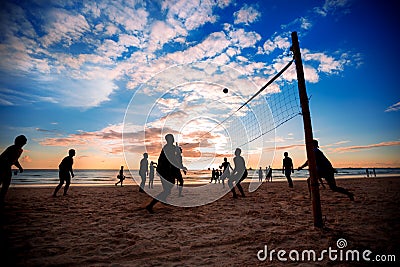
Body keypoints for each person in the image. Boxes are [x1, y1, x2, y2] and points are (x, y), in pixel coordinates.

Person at [146, 134, 186, 213]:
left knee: (168, 189)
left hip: (165, 171)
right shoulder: (168, 148)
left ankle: (162, 199)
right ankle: (150, 206)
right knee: (167, 190)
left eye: (173, 138)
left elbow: (175, 159)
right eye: (172, 138)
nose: (173, 140)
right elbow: (173, 160)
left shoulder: (170, 148)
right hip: (164, 171)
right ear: (169, 140)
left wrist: (178, 152)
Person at [0, 135, 27, 203]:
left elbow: (15, 160)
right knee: (3, 183)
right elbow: (3, 158)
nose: (25, 143)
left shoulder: (20, 150)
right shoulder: (11, 148)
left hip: (7, 168)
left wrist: (20, 167)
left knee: (6, 184)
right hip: (2, 167)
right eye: (24, 142)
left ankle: (1, 199)